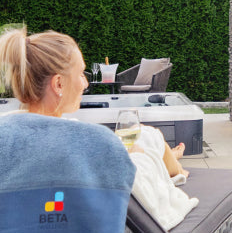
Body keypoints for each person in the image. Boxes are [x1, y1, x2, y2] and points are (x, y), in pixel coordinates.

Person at [0, 26, 187, 178]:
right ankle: (175, 167)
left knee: (144, 135)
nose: (85, 83)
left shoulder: (7, 134)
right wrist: (138, 154)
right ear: (58, 84)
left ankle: (169, 155)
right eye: (81, 74)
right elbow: (139, 185)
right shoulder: (85, 139)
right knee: (151, 137)